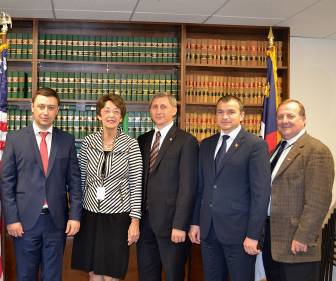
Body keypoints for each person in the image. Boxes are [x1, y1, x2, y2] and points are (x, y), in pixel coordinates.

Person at [0, 88, 82, 281]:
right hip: (24, 222)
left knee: (52, 276)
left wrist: (75, 216)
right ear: (32, 108)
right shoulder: (15, 139)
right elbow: (6, 182)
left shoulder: (66, 140)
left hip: (56, 222)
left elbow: (75, 182)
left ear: (57, 110)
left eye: (51, 107)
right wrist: (11, 219)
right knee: (26, 275)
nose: (46, 112)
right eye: (41, 106)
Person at [188, 95, 271, 281]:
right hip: (209, 232)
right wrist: (195, 222)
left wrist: (253, 235)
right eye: (220, 112)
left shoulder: (255, 145)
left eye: (231, 112)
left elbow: (261, 194)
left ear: (242, 115)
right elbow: (201, 187)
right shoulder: (207, 144)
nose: (225, 116)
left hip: (240, 235)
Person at [71, 93, 142, 281]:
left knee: (112, 271)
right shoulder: (88, 142)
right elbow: (80, 179)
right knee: (93, 270)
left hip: (118, 216)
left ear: (121, 117)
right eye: (107, 111)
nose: (111, 115)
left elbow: (136, 185)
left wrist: (135, 221)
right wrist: (75, 214)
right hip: (90, 214)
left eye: (116, 111)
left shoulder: (131, 145)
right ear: (99, 115)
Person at [262, 99, 334, 281]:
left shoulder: (316, 150)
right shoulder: (278, 149)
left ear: (304, 119)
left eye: (290, 116)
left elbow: (319, 200)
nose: (284, 120)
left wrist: (304, 237)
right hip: (273, 240)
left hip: (297, 242)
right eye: (280, 117)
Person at [137, 92, 199, 281]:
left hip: (172, 225)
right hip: (144, 222)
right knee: (147, 275)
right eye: (154, 107)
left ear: (174, 110)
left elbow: (188, 186)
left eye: (163, 107)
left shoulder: (186, 141)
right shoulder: (143, 140)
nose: (158, 111)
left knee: (174, 275)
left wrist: (180, 225)